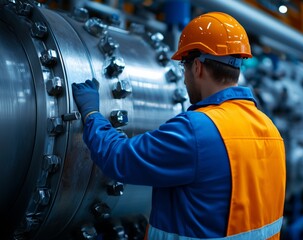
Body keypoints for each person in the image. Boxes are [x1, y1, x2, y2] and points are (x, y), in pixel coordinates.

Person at [72, 12, 286, 239]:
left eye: (184, 66)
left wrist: (92, 114)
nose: (183, 78)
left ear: (197, 67)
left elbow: (118, 158)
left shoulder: (196, 130)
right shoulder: (270, 129)